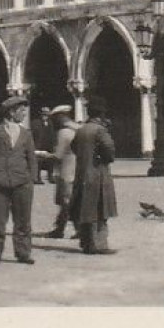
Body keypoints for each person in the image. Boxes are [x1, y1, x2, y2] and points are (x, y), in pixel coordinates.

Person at [0, 93, 38, 265]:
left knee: (23, 221)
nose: (24, 114)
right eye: (21, 111)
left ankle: (23, 253)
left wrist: (31, 180)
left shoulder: (26, 134)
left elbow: (31, 158)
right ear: (11, 112)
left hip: (22, 183)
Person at [69, 103, 118, 255]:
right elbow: (109, 148)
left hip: (82, 174)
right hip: (98, 174)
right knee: (100, 209)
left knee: (85, 209)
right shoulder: (100, 130)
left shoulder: (81, 130)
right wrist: (105, 158)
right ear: (101, 115)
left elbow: (74, 147)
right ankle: (99, 244)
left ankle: (86, 243)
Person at [45, 105, 80, 239]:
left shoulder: (63, 132)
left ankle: (62, 229)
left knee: (66, 202)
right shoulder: (77, 129)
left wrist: (44, 155)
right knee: (71, 202)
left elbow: (58, 155)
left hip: (66, 171)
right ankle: (64, 228)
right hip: (77, 169)